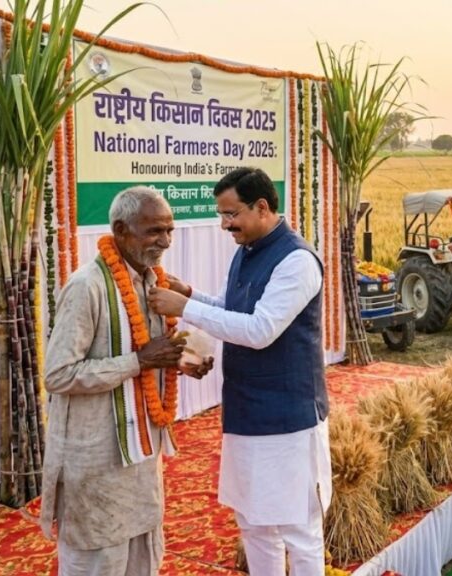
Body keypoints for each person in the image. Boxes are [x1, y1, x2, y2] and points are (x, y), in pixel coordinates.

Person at [148, 168, 330, 575]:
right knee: (254, 522)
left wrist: (185, 308)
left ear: (262, 207)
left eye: (231, 214)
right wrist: (190, 294)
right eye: (221, 215)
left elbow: (260, 330)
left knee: (298, 528)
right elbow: (234, 311)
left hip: (289, 419)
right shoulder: (246, 250)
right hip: (246, 412)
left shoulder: (297, 261)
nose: (225, 225)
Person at [42, 187, 211, 574]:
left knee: (141, 561)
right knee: (100, 560)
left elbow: (148, 355)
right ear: (120, 229)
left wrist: (178, 362)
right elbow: (58, 374)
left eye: (169, 231)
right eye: (154, 231)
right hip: (98, 461)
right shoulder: (87, 287)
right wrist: (138, 361)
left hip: (141, 460)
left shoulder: (154, 283)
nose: (165, 241)